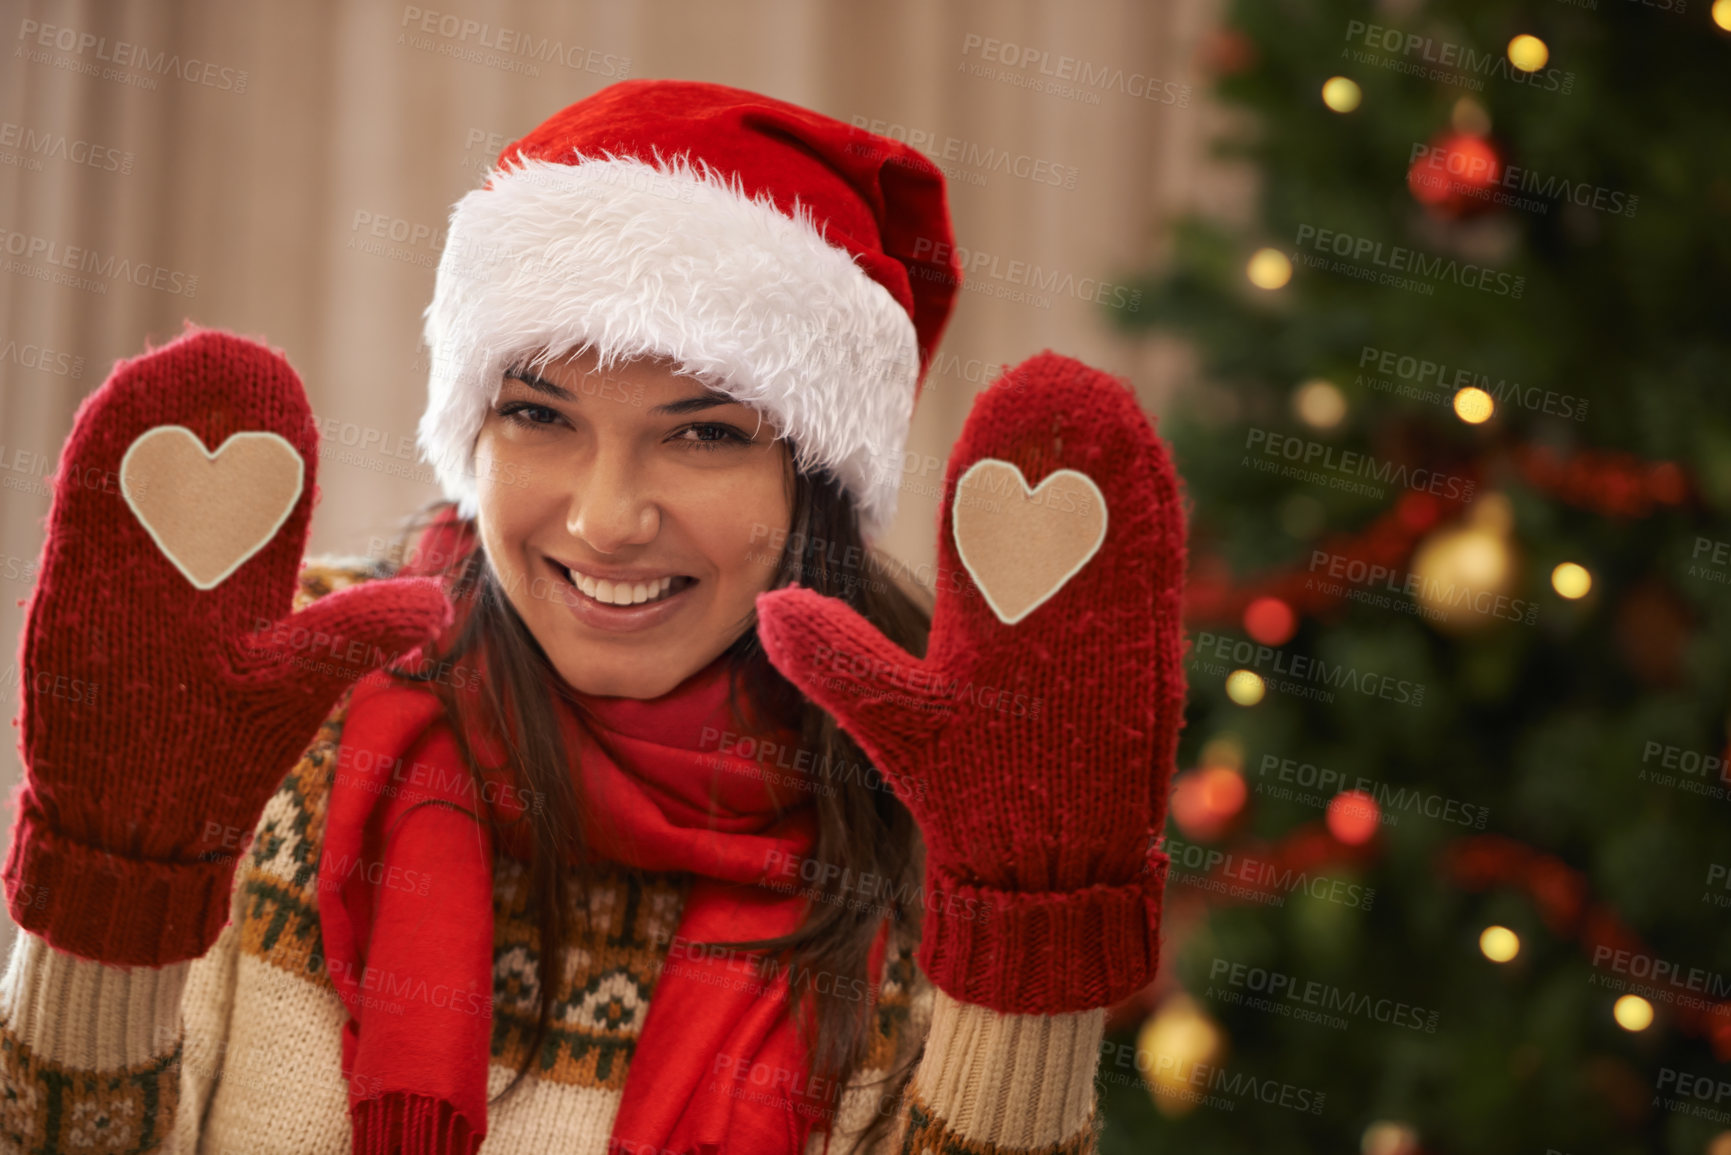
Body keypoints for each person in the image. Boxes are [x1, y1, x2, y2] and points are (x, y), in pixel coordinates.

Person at [0, 79, 1188, 1154]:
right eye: (539, 416)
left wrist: (1027, 957)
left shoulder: (940, 794)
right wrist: (113, 891)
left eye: (706, 433)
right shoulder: (274, 707)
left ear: (814, 485)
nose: (608, 518)